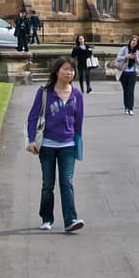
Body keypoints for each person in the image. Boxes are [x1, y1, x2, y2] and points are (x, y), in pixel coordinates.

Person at [25, 58, 85, 232]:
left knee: (66, 182)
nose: (69, 73)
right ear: (57, 71)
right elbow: (33, 117)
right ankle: (47, 218)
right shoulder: (44, 92)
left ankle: (70, 220)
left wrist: (78, 142)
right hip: (48, 145)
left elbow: (79, 122)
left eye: (72, 70)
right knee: (48, 184)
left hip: (68, 144)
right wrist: (31, 140)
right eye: (66, 69)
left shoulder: (77, 94)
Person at [113, 35, 139, 114]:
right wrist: (127, 56)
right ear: (130, 41)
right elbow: (118, 58)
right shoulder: (124, 49)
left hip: (133, 73)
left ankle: (131, 108)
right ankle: (126, 107)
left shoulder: (138, 52)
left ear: (137, 43)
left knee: (131, 91)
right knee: (125, 91)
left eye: (136, 41)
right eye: (133, 40)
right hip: (124, 72)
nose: (134, 42)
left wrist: (135, 58)